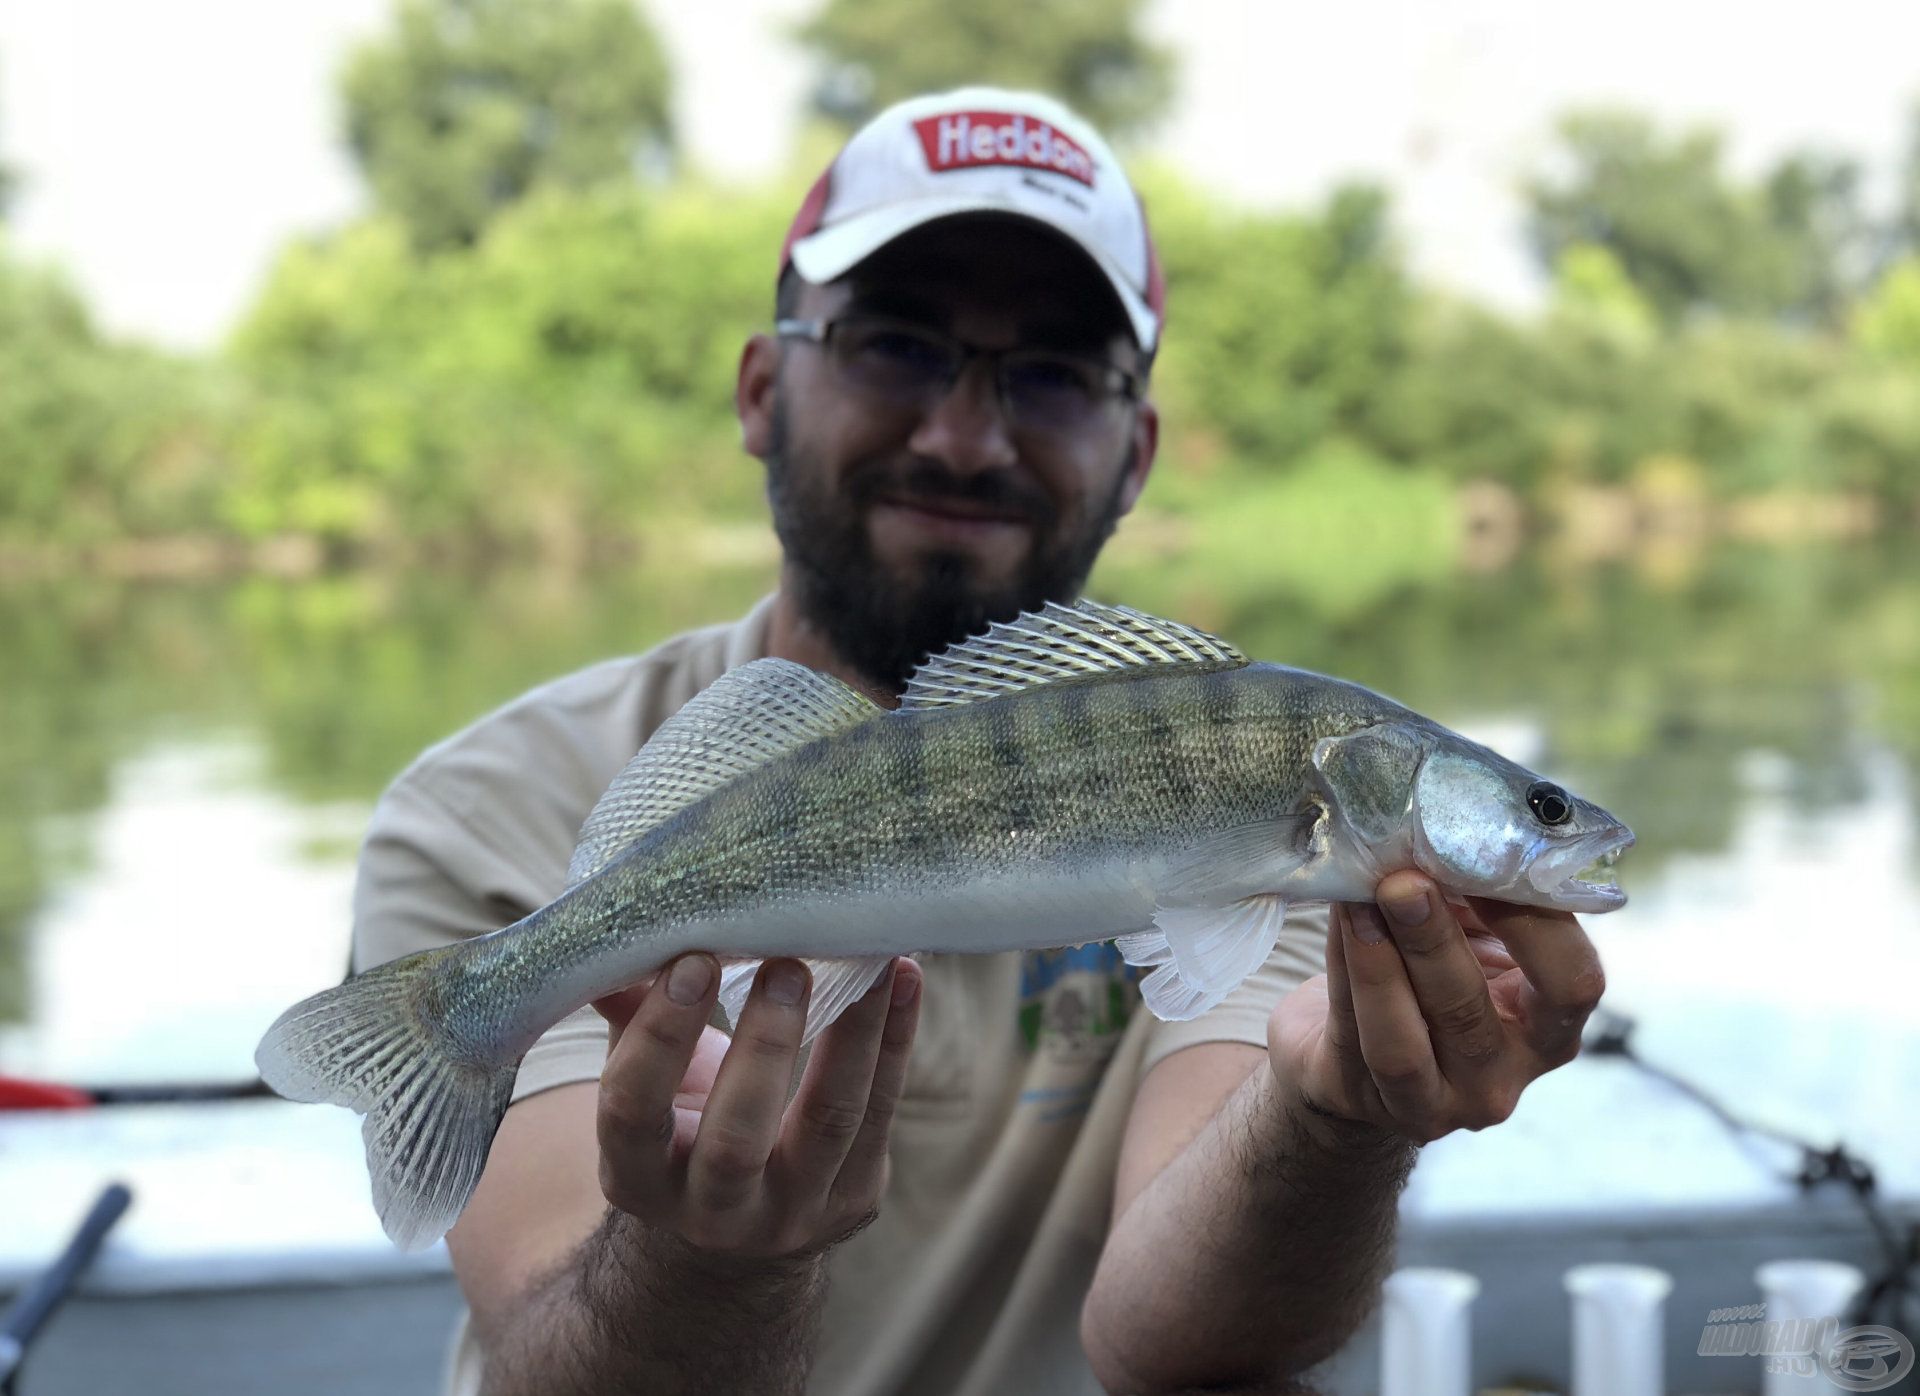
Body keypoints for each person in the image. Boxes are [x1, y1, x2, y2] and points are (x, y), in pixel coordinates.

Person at [351, 86, 1608, 1396]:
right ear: (763, 386)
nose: (964, 433)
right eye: (896, 345)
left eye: (1055, 376)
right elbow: (551, 1363)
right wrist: (708, 1256)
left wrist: (1338, 1116)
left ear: (1137, 458)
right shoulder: (485, 809)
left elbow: (1169, 1347)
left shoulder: (1311, 843)